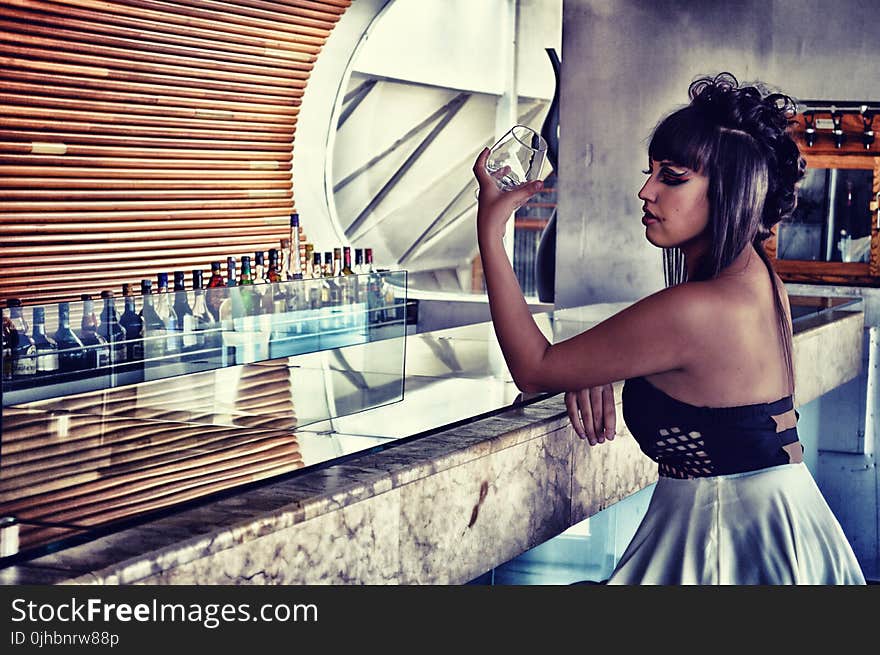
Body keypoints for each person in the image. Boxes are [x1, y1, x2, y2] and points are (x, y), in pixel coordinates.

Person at [472, 72, 865, 585]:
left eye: (672, 177)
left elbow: (534, 368)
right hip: (767, 526)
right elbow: (678, 366)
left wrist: (491, 228)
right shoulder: (758, 280)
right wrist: (594, 366)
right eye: (651, 171)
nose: (646, 190)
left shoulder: (697, 308)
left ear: (731, 190)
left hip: (727, 544)